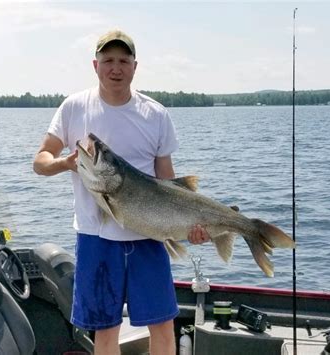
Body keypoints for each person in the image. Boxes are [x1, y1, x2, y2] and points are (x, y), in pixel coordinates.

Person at [33, 29, 210, 355]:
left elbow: (168, 184)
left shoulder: (155, 114)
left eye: (123, 61)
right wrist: (67, 163)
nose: (116, 68)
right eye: (108, 60)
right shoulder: (73, 107)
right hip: (95, 239)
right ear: (95, 65)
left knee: (164, 329)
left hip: (148, 237)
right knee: (105, 333)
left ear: (134, 66)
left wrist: (191, 229)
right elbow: (40, 161)